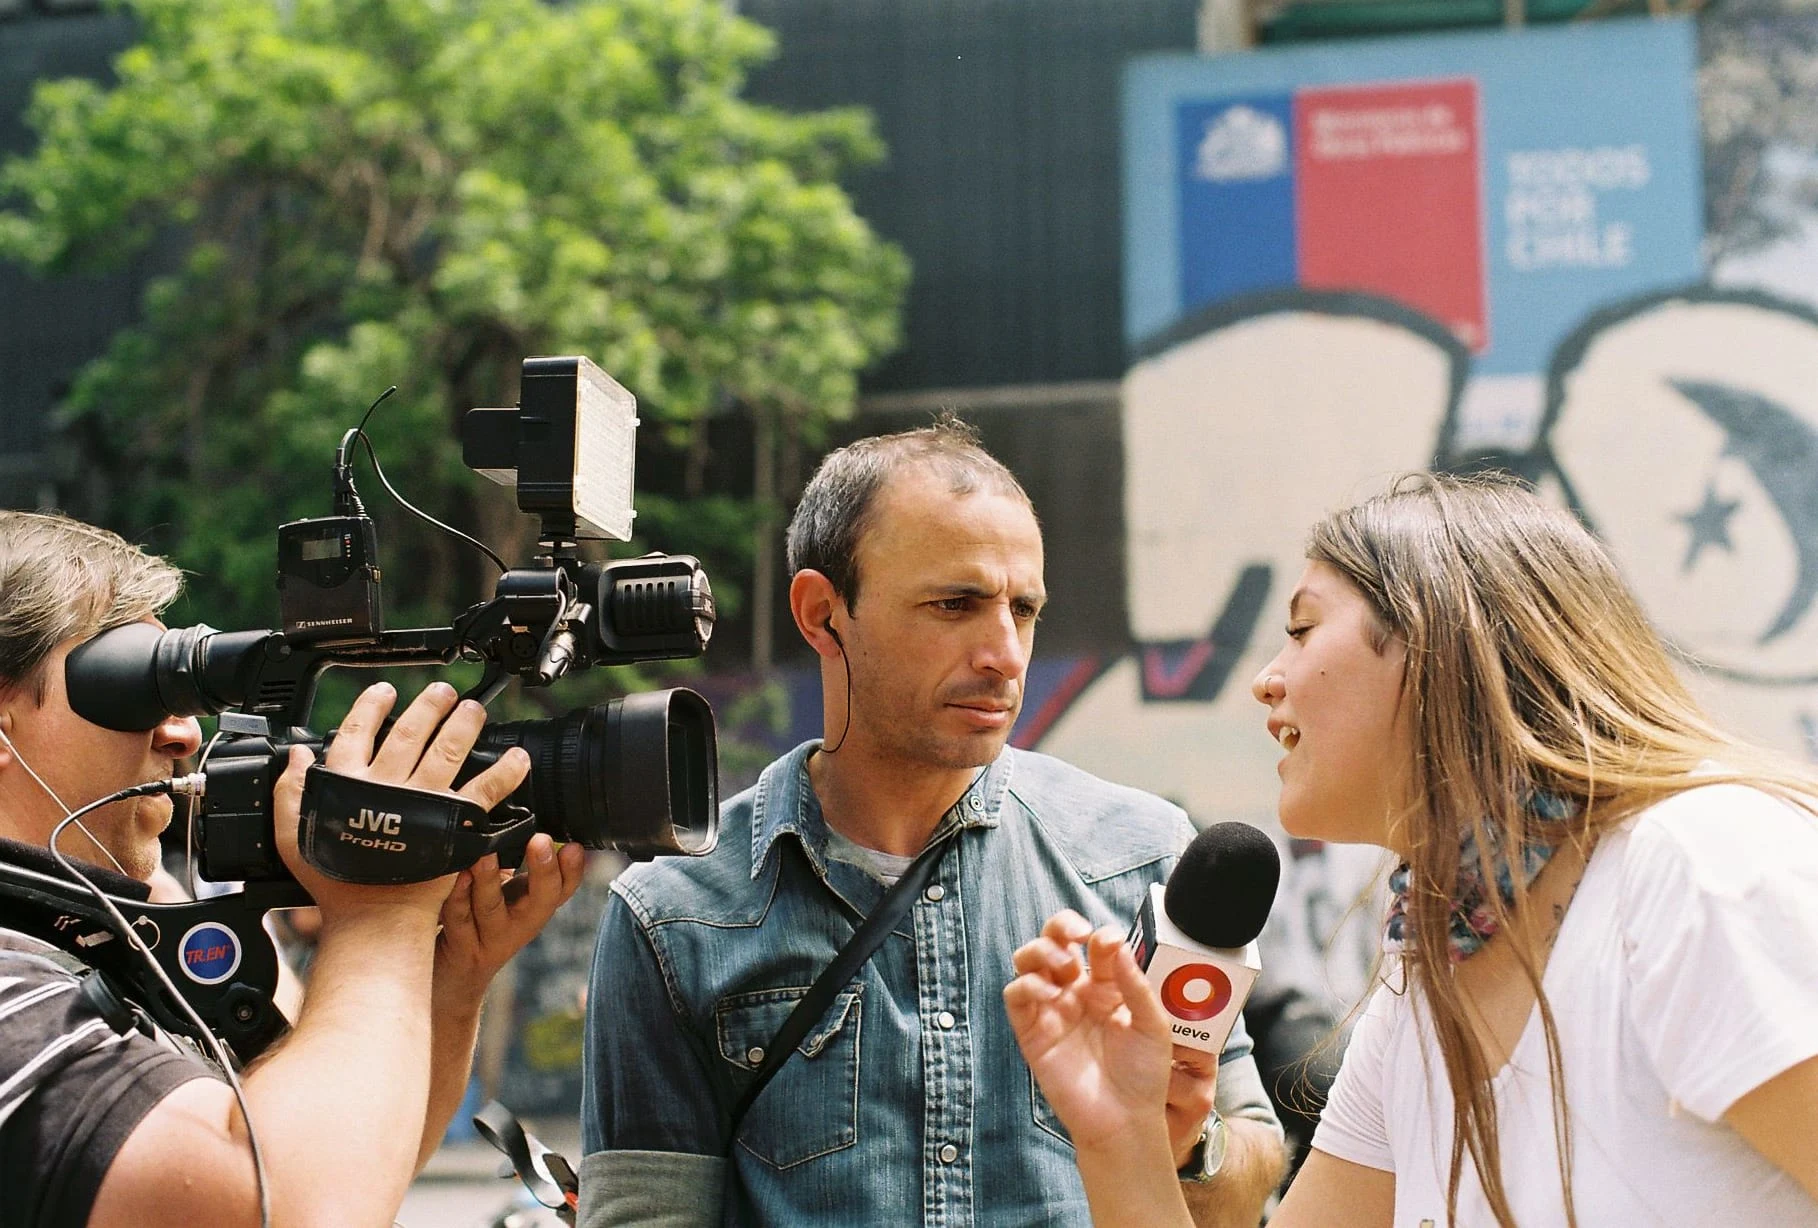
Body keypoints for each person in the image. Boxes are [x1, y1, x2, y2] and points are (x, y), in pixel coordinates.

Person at [1005, 473, 1818, 1227]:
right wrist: (1123, 1134)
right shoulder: (1429, 966)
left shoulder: (1699, 866)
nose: (1266, 679)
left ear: (1439, 641)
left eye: (1302, 628)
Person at [579, 420, 1287, 1226]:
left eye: (1024, 610)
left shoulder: (1139, 857)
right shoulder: (672, 915)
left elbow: (1246, 1185)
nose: (1005, 654)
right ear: (823, 613)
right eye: (955, 604)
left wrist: (1189, 1146)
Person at [0, 510, 585, 1227]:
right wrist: (380, 919)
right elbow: (289, 1206)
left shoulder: (109, 925)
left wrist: (443, 978)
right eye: (135, 686)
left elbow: (351, 1159)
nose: (185, 732)